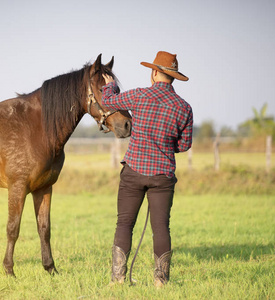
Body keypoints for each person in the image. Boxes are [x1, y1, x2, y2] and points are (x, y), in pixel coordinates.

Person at [102, 51, 193, 287]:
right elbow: (184, 145)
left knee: (124, 224)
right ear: (172, 77)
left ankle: (118, 279)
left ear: (154, 73)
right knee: (161, 227)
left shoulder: (139, 96)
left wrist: (109, 87)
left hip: (133, 172)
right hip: (163, 176)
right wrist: (163, 144)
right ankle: (161, 281)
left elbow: (109, 102)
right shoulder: (184, 108)